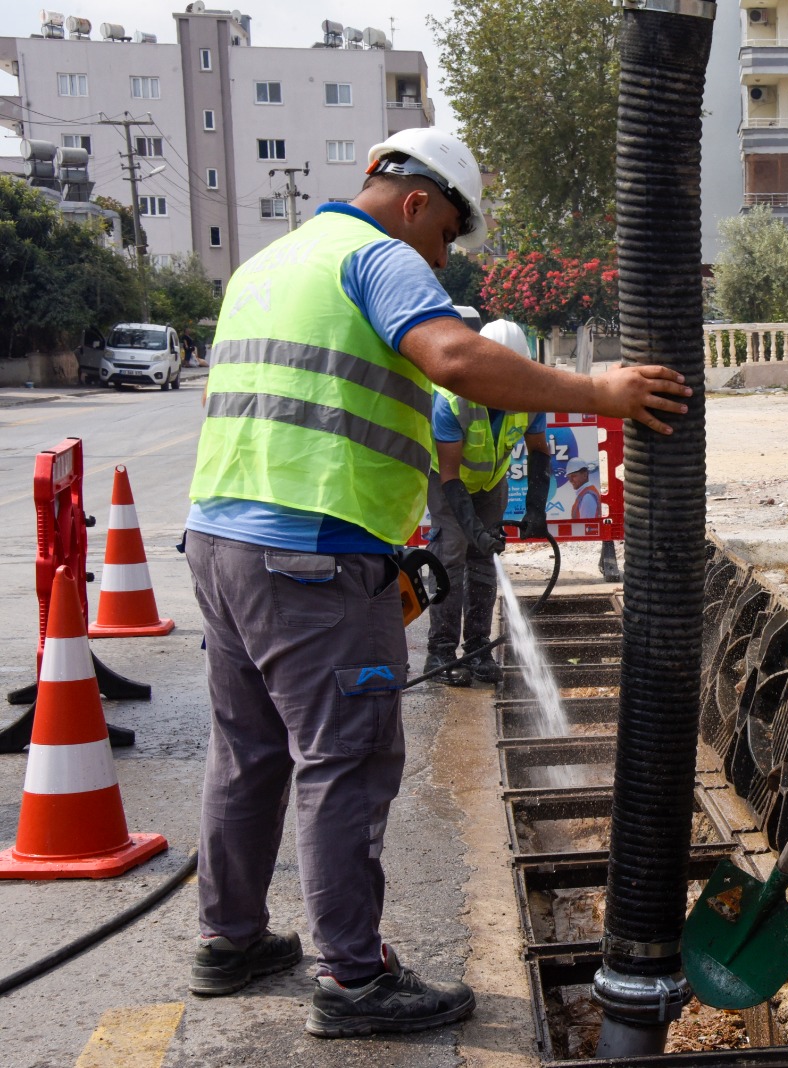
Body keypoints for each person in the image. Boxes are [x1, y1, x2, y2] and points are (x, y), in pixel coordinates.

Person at [182, 127, 690, 1037]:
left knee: (248, 750)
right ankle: (352, 980)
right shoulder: (376, 258)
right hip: (316, 551)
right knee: (345, 759)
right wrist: (600, 392)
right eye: (449, 233)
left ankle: (232, 939)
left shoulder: (265, 265)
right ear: (414, 201)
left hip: (222, 544)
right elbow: (456, 360)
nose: (446, 256)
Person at [424, 318, 552, 686]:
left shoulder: (532, 395)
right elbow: (449, 476)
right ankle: (441, 653)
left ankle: (478, 648)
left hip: (492, 482)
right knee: (450, 557)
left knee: (485, 559)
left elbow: (539, 452)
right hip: (450, 483)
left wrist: (536, 508)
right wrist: (472, 528)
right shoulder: (452, 399)